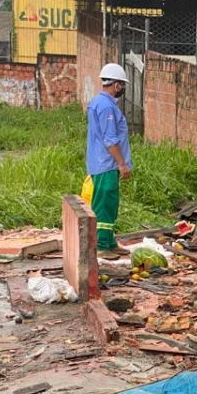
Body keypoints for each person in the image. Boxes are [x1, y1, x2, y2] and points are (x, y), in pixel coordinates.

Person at [83, 63, 133, 259]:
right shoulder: (106, 107)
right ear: (117, 85)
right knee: (104, 204)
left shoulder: (100, 103)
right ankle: (102, 245)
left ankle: (109, 241)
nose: (122, 89)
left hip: (102, 163)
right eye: (122, 85)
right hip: (106, 164)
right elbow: (110, 139)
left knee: (110, 203)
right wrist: (122, 164)